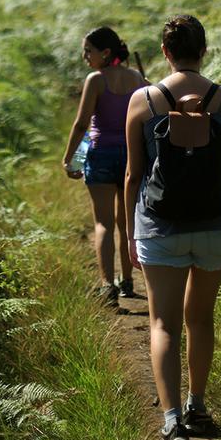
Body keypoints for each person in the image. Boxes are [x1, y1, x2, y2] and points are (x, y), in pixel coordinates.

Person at [124, 14, 221, 440]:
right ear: (204, 50)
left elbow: (133, 175)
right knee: (201, 319)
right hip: (215, 226)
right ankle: (197, 405)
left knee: (163, 324)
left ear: (165, 52)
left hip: (159, 227)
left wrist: (131, 233)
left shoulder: (143, 100)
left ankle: (172, 421)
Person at [62, 26, 147, 306]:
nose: (85, 56)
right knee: (125, 224)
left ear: (105, 52)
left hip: (99, 155)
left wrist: (69, 158)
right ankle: (127, 283)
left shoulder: (96, 80)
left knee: (103, 224)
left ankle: (107, 285)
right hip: (130, 156)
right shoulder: (137, 78)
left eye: (89, 51)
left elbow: (82, 123)